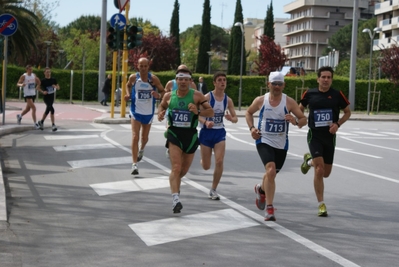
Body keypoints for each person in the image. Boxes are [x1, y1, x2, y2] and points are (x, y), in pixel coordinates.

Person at [246, 71, 307, 221]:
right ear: (268, 84)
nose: (277, 87)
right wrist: (252, 128)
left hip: (281, 143)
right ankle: (270, 208)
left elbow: (303, 119)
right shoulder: (261, 100)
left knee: (270, 175)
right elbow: (248, 112)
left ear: (284, 85)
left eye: (280, 84)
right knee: (271, 170)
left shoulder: (289, 102)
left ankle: (260, 189)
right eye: (274, 84)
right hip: (264, 140)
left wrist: (295, 121)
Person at [157, 68, 214, 213]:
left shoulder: (196, 96)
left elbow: (211, 112)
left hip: (190, 135)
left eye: (186, 79)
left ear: (190, 81)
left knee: (183, 170)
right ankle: (175, 199)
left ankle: (175, 184)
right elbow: (162, 106)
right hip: (174, 134)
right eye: (180, 79)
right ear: (176, 81)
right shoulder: (169, 96)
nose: (183, 82)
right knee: (176, 167)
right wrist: (160, 113)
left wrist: (198, 111)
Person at [299, 66, 351, 217]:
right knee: (319, 169)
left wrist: (338, 124)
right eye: (323, 77)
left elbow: (347, 112)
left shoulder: (336, 94)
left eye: (329, 77)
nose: (326, 80)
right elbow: (299, 108)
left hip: (329, 137)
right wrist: (299, 120)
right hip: (314, 135)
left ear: (331, 79)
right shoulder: (309, 93)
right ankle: (321, 204)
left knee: (326, 173)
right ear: (318, 79)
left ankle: (308, 162)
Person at [199, 71, 238, 200]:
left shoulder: (228, 100)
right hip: (206, 132)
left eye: (224, 80)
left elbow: (235, 118)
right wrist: (205, 121)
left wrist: (230, 118)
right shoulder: (207, 97)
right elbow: (197, 114)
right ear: (214, 83)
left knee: (219, 161)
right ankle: (203, 160)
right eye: (220, 80)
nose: (222, 82)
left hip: (219, 132)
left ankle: (213, 189)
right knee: (206, 166)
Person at [124, 57, 164, 175]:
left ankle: (141, 150)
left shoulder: (153, 79)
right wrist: (127, 94)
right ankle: (134, 165)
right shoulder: (133, 77)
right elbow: (127, 85)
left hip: (148, 112)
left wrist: (158, 95)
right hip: (136, 111)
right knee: (135, 136)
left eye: (145, 66)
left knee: (144, 138)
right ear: (138, 66)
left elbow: (163, 92)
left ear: (148, 66)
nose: (143, 68)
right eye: (141, 66)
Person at [16, 65, 42, 129]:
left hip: (33, 94)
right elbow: (18, 84)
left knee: (28, 109)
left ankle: (20, 116)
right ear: (26, 70)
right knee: (34, 108)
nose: (31, 71)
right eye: (29, 69)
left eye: (31, 69)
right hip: (27, 94)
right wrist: (22, 84)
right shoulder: (24, 76)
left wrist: (38, 83)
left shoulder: (34, 75)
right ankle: (35, 123)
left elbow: (39, 82)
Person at [37, 67, 60, 132]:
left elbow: (58, 87)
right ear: (44, 73)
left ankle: (41, 122)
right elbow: (37, 88)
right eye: (47, 72)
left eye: (49, 72)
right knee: (52, 109)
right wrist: (43, 92)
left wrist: (55, 87)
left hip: (51, 97)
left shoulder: (53, 79)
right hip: (46, 97)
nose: (48, 73)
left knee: (48, 110)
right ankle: (53, 125)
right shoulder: (43, 81)